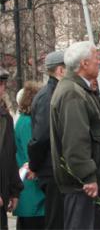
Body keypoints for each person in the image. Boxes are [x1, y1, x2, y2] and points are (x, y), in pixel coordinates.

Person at [50, 41, 100, 229]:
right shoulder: (73, 93)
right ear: (84, 64)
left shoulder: (78, 89)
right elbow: (75, 142)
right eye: (96, 57)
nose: (99, 61)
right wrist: (87, 176)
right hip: (80, 185)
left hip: (82, 184)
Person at [27, 51, 66, 229]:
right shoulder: (47, 96)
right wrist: (34, 165)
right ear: (60, 70)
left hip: (58, 168)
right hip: (53, 170)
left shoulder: (57, 91)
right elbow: (41, 137)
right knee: (56, 220)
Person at [14, 81, 44, 229]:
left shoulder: (24, 121)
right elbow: (31, 153)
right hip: (32, 190)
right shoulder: (27, 123)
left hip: (29, 190)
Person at [0, 67, 23, 230]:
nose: (1, 88)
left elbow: (10, 155)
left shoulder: (5, 117)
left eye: (2, 84)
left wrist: (15, 190)